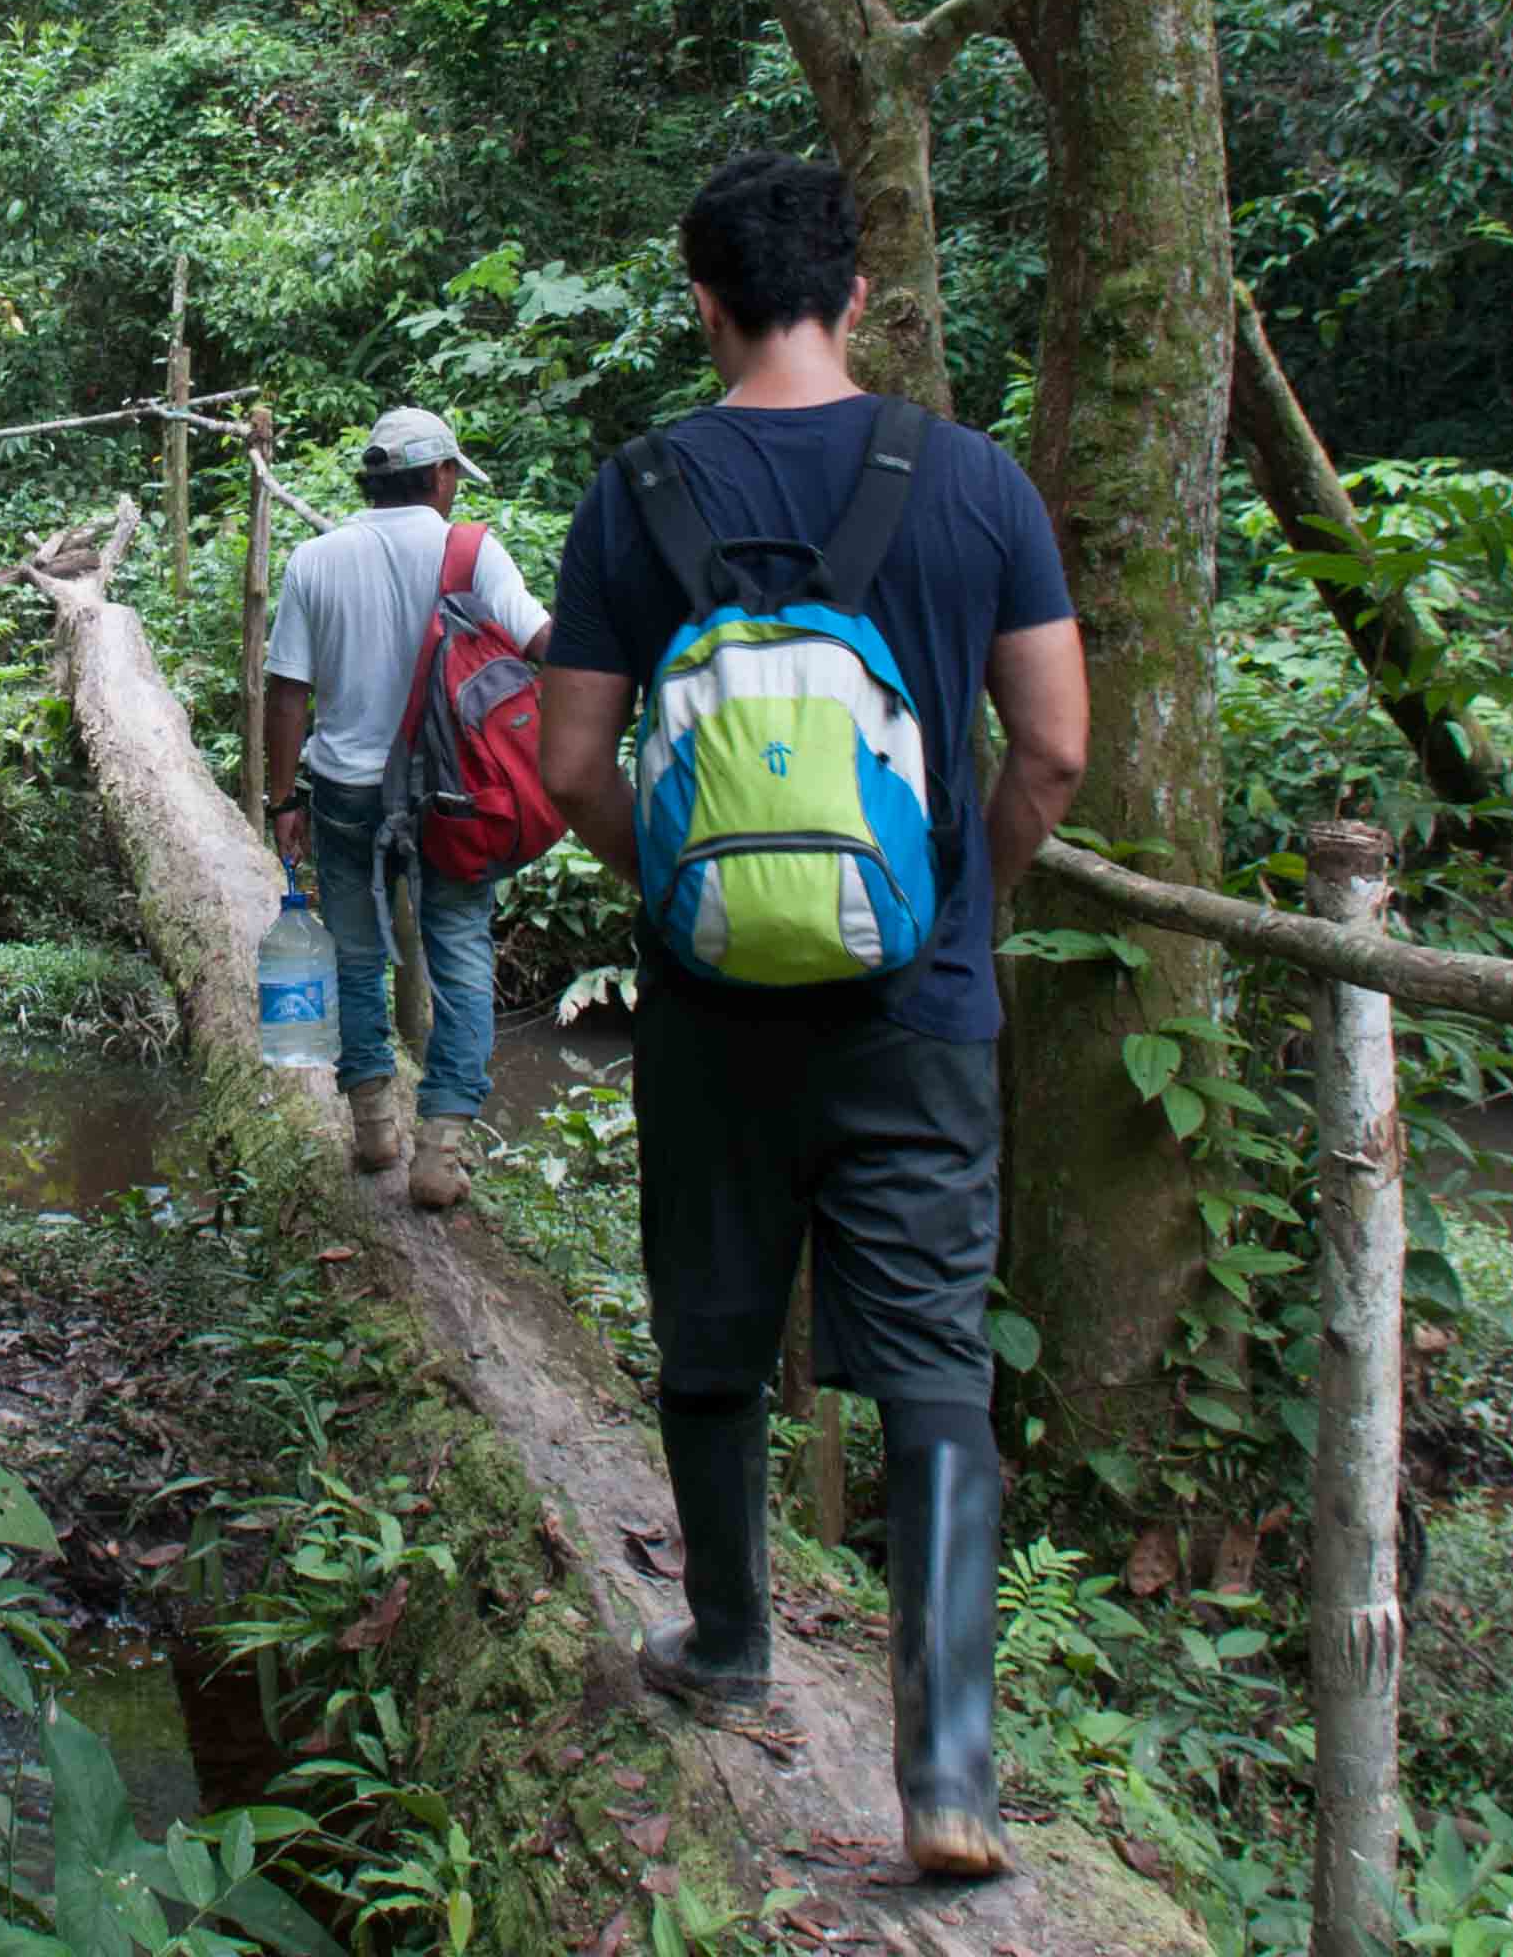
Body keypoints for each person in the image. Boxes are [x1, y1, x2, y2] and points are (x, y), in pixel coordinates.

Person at [533, 153, 1089, 1884]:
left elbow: (565, 762)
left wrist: (680, 904)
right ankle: (944, 1771)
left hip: (708, 1006)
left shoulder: (636, 489)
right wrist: (949, 895)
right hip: (915, 1000)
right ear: (857, 295)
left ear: (699, 298)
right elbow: (1055, 747)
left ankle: (726, 1636)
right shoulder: (976, 482)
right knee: (927, 1346)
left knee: (710, 1313)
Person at [260, 405, 549, 1211]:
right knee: (458, 952)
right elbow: (543, 646)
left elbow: (288, 691)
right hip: (453, 796)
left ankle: (373, 1130)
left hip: (345, 795)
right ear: (443, 475)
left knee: (357, 956)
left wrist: (284, 798)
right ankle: (439, 1152)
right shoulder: (473, 550)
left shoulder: (315, 558)